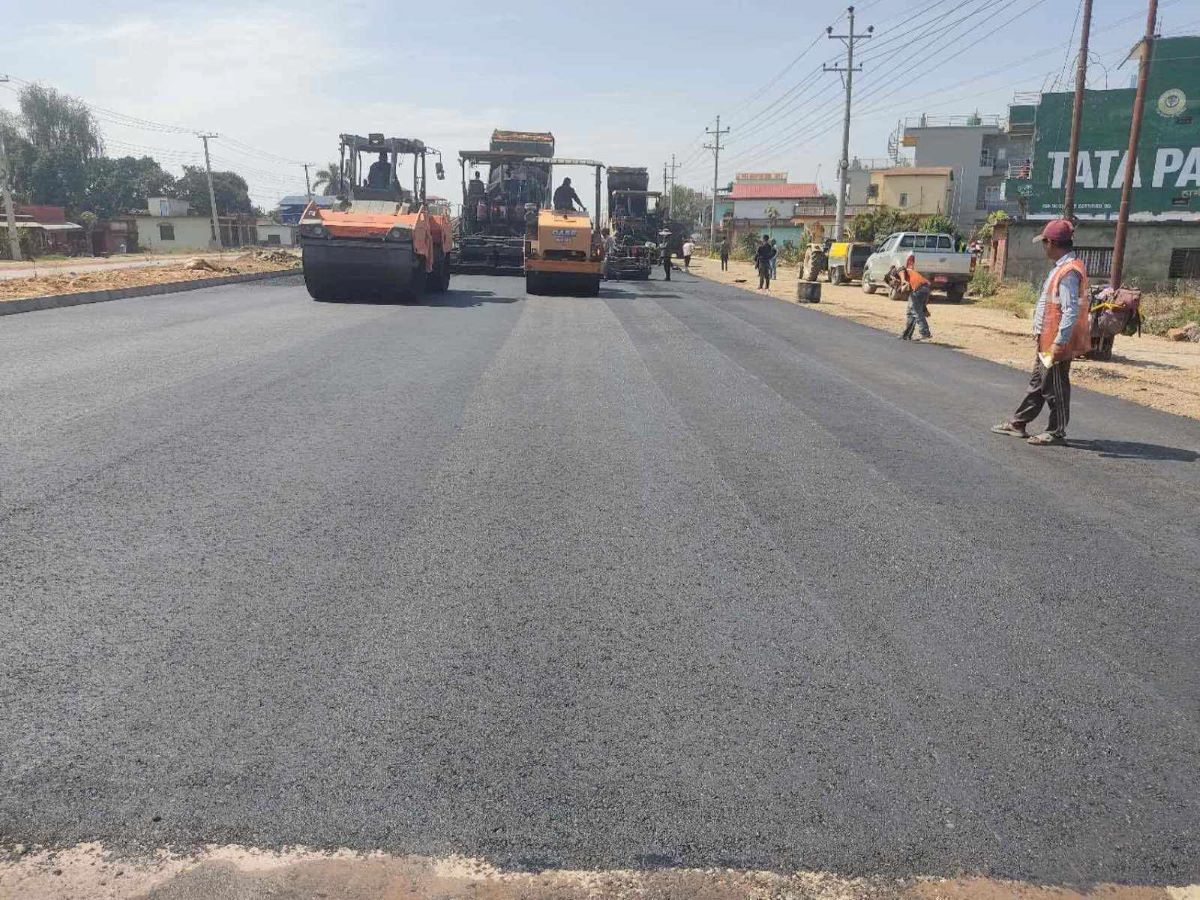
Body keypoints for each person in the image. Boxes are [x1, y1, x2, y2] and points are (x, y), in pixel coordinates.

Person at [991, 219, 1090, 446]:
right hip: (1047, 339)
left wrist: (1058, 343)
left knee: (1055, 386)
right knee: (1038, 383)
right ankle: (1018, 423)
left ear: (1052, 243)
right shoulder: (1061, 268)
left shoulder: (1068, 272)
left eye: (1044, 243)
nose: (1044, 248)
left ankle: (1056, 431)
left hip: (1055, 341)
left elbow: (1070, 311)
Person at [893, 260, 933, 341]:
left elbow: (901, 269)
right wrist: (924, 309)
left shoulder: (901, 272)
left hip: (918, 289)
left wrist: (903, 280)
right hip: (925, 288)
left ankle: (925, 333)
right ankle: (906, 335)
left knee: (915, 312)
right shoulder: (909, 275)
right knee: (911, 312)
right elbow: (919, 302)